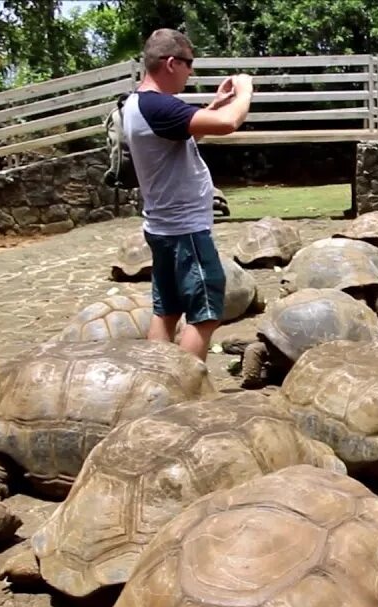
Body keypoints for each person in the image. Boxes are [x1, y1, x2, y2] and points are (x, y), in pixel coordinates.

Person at [124, 28, 254, 361]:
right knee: (207, 313)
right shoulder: (158, 107)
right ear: (170, 63)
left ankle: (152, 382)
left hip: (162, 228)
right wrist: (244, 91)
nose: (191, 71)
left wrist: (216, 104)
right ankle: (183, 390)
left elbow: (183, 136)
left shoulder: (138, 103)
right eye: (188, 63)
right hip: (186, 232)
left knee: (166, 312)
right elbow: (228, 124)